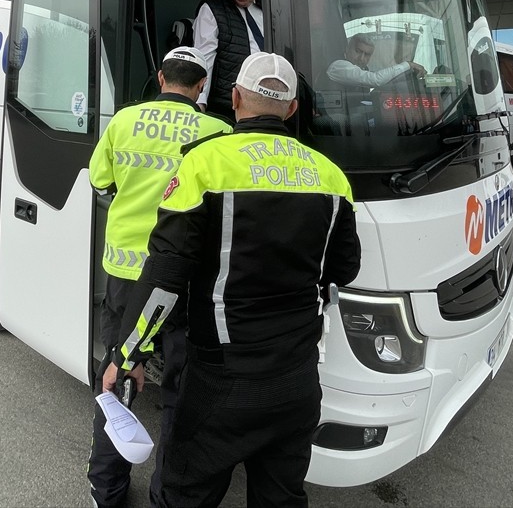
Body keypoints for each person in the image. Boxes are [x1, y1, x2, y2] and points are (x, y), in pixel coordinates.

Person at [103, 52, 361, 508]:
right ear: (293, 109)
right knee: (281, 498)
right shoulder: (332, 176)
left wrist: (127, 355)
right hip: (297, 382)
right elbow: (344, 269)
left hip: (221, 380)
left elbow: (166, 275)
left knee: (185, 495)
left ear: (235, 98)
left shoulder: (205, 164)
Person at [86, 46, 232, 508]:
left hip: (126, 276)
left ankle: (106, 490)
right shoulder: (218, 132)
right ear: (202, 86)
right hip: (184, 281)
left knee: (116, 377)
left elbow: (99, 182)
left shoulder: (124, 121)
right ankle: (168, 492)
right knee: (181, 387)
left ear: (160, 76)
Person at [193, 0, 263, 118]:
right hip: (228, 107)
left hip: (266, 103)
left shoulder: (269, 7)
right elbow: (204, 58)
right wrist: (200, 103)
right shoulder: (211, 8)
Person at [326, 33, 425, 88]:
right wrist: (408, 64)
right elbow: (375, 80)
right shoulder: (338, 66)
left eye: (367, 55)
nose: (361, 58)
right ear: (347, 49)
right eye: (358, 51)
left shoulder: (363, 70)